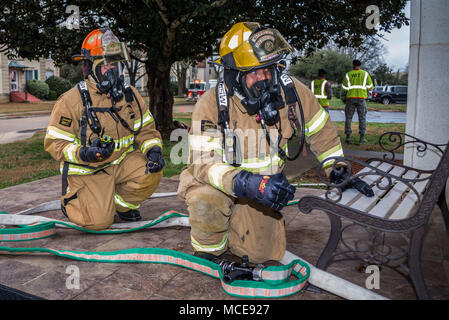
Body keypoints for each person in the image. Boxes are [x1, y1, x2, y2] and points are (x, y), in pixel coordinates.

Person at [177, 22, 370, 264]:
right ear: (234, 75)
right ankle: (209, 250)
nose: (265, 80)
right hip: (222, 186)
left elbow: (320, 130)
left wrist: (337, 168)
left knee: (262, 254)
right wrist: (244, 182)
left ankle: (239, 221)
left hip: (261, 191)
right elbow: (204, 163)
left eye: (268, 70)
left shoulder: (291, 92)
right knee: (206, 201)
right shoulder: (211, 104)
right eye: (255, 73)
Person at [44, 28, 165, 230]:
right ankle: (73, 203)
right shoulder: (71, 101)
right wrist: (85, 152)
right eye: (106, 65)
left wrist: (153, 151)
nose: (113, 71)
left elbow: (147, 130)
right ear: (90, 67)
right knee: (98, 223)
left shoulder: (130, 95)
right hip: (90, 170)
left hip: (122, 164)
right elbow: (55, 143)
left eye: (115, 64)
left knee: (151, 171)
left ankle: (121, 206)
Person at [342, 59, 374, 144]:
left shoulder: (348, 74)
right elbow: (370, 87)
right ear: (360, 65)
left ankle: (348, 137)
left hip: (351, 98)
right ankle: (362, 137)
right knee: (362, 118)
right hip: (361, 98)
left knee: (348, 118)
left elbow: (344, 88)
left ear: (353, 64)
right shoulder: (365, 74)